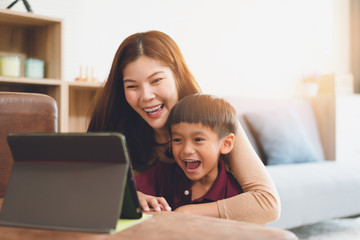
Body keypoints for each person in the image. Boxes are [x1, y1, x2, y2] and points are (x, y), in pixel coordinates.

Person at [87, 30, 280, 224]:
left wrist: (186, 213)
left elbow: (268, 204)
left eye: (156, 80)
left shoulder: (212, 120)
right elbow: (88, 184)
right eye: (132, 86)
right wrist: (127, 198)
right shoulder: (114, 123)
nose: (145, 96)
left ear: (177, 75)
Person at [135, 93, 243, 212]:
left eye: (198, 139)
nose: (186, 150)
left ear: (225, 144)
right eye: (177, 140)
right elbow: (121, 191)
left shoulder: (236, 193)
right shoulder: (162, 176)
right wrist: (137, 196)